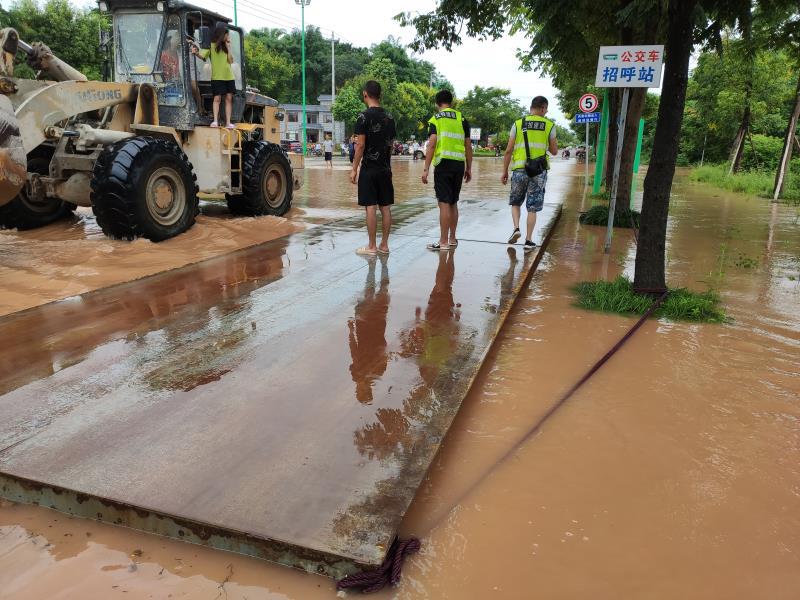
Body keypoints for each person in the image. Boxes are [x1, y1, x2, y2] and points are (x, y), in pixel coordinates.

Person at [501, 95, 557, 252]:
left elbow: (508, 150)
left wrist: (504, 171)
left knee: (515, 202)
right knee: (532, 207)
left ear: (531, 107)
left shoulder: (518, 124)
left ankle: (516, 228)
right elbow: (554, 151)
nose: (546, 112)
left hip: (519, 169)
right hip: (538, 171)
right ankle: (528, 240)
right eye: (546, 109)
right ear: (543, 108)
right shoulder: (549, 125)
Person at [422, 89, 472, 251]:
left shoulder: (436, 119)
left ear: (437, 103)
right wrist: (469, 167)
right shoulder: (461, 118)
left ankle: (443, 242)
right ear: (451, 102)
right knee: (453, 202)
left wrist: (426, 169)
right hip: (459, 164)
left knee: (443, 203)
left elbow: (432, 144)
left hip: (443, 164)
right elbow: (468, 146)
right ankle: (452, 239)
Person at [350, 80, 396, 256]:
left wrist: (354, 168)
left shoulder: (363, 117)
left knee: (370, 206)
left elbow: (360, 145)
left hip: (369, 169)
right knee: (385, 207)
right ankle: (384, 245)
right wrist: (388, 166)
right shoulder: (390, 117)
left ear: (365, 94)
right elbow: (390, 145)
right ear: (380, 95)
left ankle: (371, 246)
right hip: (385, 169)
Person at [191, 23, 235, 129]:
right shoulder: (211, 46)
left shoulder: (226, 46)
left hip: (229, 77)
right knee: (217, 98)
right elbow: (203, 56)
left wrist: (229, 48)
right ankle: (215, 121)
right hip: (217, 77)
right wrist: (196, 53)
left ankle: (228, 123)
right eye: (227, 35)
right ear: (221, 34)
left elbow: (231, 61)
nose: (228, 37)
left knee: (229, 98)